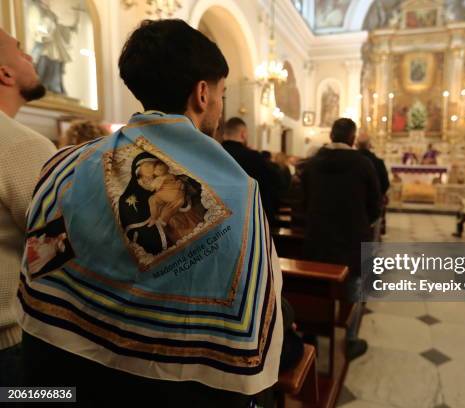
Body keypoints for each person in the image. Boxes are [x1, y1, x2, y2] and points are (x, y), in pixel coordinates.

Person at [17, 20, 283, 407]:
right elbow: (247, 329)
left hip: (61, 379)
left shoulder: (65, 166)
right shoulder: (237, 191)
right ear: (203, 94)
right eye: (223, 94)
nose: (221, 107)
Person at [0, 28, 56, 387]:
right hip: (10, 352)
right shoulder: (21, 146)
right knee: (59, 396)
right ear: (4, 73)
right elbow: (59, 250)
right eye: (20, 51)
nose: (30, 56)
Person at [301, 118, 381, 360]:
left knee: (316, 286)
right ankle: (351, 339)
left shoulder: (313, 164)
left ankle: (310, 333)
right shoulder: (363, 164)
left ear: (331, 136)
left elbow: (304, 199)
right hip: (352, 239)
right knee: (354, 286)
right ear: (352, 138)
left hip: (317, 237)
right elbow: (375, 205)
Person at [222, 117, 279, 221]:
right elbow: (275, 182)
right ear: (243, 134)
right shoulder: (254, 157)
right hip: (250, 219)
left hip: (220, 220)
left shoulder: (213, 154)